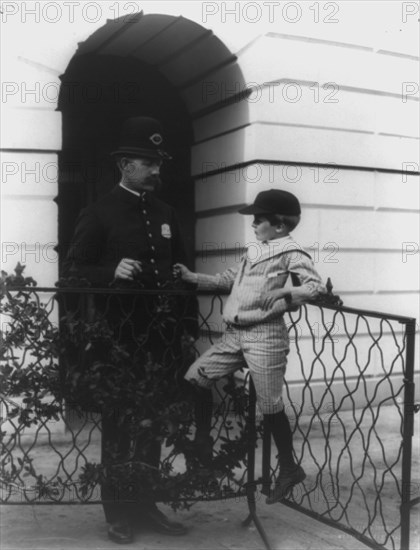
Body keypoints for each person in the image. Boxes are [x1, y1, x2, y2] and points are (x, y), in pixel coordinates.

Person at [63, 117, 194, 544]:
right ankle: (117, 511)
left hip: (160, 340)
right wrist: (109, 270)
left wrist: (187, 328)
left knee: (153, 425)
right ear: (124, 164)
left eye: (159, 162)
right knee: (119, 426)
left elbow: (182, 274)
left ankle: (147, 504)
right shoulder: (98, 213)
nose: (158, 170)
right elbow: (73, 273)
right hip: (118, 342)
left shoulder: (166, 212)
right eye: (149, 162)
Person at [174, 189, 326, 504]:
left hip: (265, 336)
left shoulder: (292, 253)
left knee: (269, 404)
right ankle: (202, 442)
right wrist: (193, 277)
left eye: (259, 219)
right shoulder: (255, 250)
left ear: (280, 226)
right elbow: (229, 279)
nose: (253, 223)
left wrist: (287, 294)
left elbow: (314, 287)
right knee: (196, 376)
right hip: (235, 336)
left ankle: (288, 467)